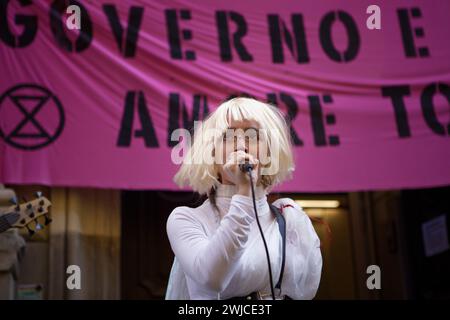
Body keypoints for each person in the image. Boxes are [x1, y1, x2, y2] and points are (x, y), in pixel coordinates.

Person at [165, 97, 322, 300]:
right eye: (228, 136)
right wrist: (244, 192)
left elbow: (305, 291)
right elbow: (213, 278)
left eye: (253, 135)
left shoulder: (290, 219)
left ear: (269, 152)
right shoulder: (186, 219)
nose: (241, 145)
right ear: (211, 153)